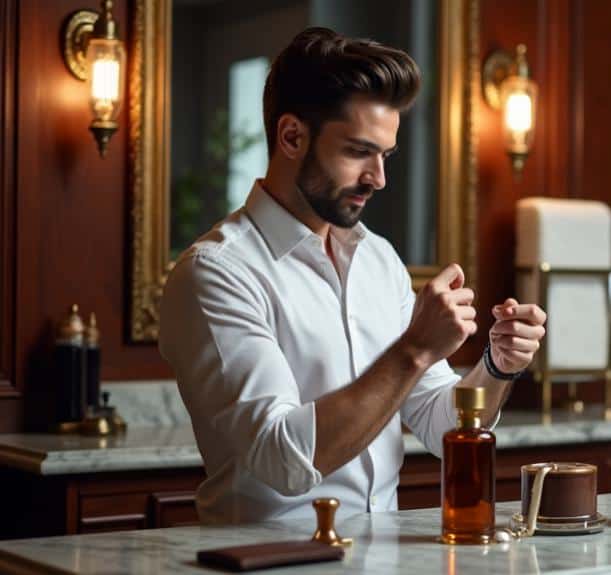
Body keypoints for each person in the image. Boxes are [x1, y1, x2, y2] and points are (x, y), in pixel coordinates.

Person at [158, 27, 546, 524]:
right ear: (292, 136)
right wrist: (414, 349)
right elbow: (282, 458)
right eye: (359, 152)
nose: (378, 178)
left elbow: (440, 424)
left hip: (383, 555)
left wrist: (497, 364)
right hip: (269, 559)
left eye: (385, 155)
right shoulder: (216, 273)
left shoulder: (379, 260)